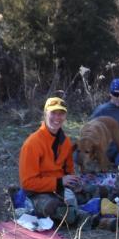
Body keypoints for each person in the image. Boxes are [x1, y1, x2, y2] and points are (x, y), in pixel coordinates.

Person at [19, 96, 83, 224]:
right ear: (45, 114)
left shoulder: (66, 142)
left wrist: (73, 181)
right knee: (56, 209)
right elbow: (27, 183)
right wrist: (60, 182)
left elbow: (69, 171)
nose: (57, 118)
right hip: (38, 193)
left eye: (61, 114)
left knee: (95, 190)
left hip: (60, 189)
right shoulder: (32, 143)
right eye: (53, 113)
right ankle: (94, 219)